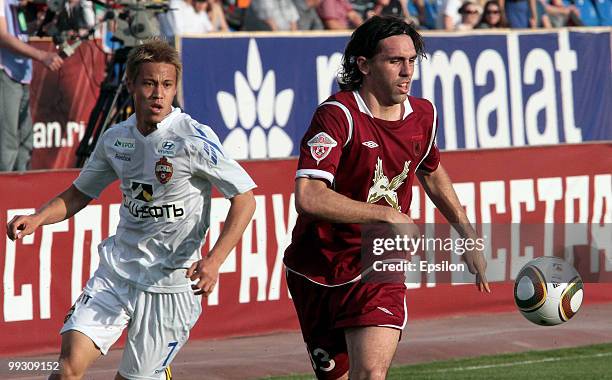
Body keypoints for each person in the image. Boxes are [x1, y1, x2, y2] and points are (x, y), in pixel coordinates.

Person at [6, 39, 257, 379]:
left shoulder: (193, 139)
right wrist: (38, 218)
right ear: (130, 84)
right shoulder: (115, 140)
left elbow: (244, 197)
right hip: (117, 274)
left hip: (171, 285)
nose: (158, 93)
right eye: (149, 83)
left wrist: (214, 260)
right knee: (66, 368)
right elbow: (79, 193)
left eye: (167, 85)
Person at [283, 16, 490, 380]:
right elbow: (310, 196)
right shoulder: (338, 116)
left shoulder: (423, 115)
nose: (407, 71)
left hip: (380, 257)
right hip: (316, 265)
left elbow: (432, 170)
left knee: (371, 374)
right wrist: (387, 214)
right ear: (363, 65)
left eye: (412, 60)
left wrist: (467, 235)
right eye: (395, 61)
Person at [0, 0, 63, 172]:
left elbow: (22, 33)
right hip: (5, 74)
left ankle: (22, 190)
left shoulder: (17, 7)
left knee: (26, 141)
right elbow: (3, 36)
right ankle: (5, 193)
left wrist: (44, 22)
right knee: (8, 141)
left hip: (21, 75)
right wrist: (42, 55)